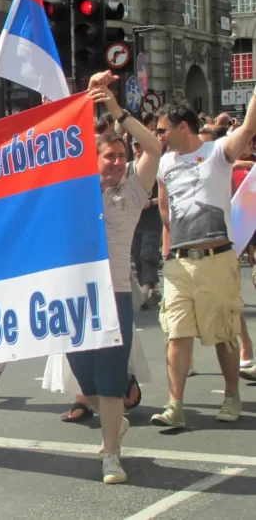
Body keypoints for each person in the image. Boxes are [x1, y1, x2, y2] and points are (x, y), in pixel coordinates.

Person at [67, 72, 162, 484]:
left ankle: (111, 455)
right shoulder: (74, 189)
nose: (119, 161)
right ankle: (113, 422)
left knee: (108, 383)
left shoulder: (134, 192)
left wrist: (116, 110)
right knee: (87, 383)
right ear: (93, 160)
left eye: (122, 156)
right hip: (75, 297)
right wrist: (85, 102)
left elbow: (155, 147)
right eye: (110, 156)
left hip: (116, 294)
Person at [152, 90, 256, 428]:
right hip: (179, 262)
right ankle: (175, 405)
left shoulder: (218, 152)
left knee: (224, 332)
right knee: (176, 334)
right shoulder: (165, 162)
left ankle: (231, 396)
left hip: (216, 257)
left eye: (163, 129)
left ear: (183, 127)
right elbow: (165, 207)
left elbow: (250, 127)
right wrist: (174, 245)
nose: (159, 136)